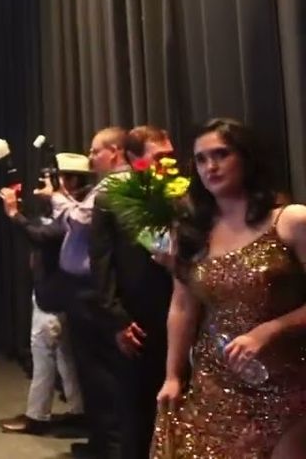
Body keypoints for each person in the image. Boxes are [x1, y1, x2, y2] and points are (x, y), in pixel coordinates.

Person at [150, 118, 306, 458]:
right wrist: (173, 375)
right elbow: (182, 308)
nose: (211, 166)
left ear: (246, 159)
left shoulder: (291, 221)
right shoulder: (192, 232)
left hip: (288, 381)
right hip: (214, 383)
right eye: (202, 159)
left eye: (221, 154)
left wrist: (270, 330)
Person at [89, 125, 175, 458]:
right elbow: (101, 264)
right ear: (134, 159)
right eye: (159, 157)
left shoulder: (182, 192)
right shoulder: (113, 195)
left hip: (180, 316)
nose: (167, 163)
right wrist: (117, 321)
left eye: (171, 156)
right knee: (137, 415)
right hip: (136, 322)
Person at [0, 152, 91, 436]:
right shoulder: (68, 206)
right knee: (63, 353)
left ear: (69, 180)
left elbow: (44, 236)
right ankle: (78, 409)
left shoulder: (76, 208)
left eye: (51, 176)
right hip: (53, 291)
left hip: (55, 294)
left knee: (43, 351)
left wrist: (14, 215)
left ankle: (37, 416)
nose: (43, 181)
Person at [50, 126, 130, 459]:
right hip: (85, 290)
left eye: (95, 151)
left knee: (100, 372)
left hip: (92, 291)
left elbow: (81, 220)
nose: (90, 157)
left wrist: (56, 199)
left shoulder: (115, 183)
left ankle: (110, 446)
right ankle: (102, 440)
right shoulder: (106, 185)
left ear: (114, 151)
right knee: (91, 371)